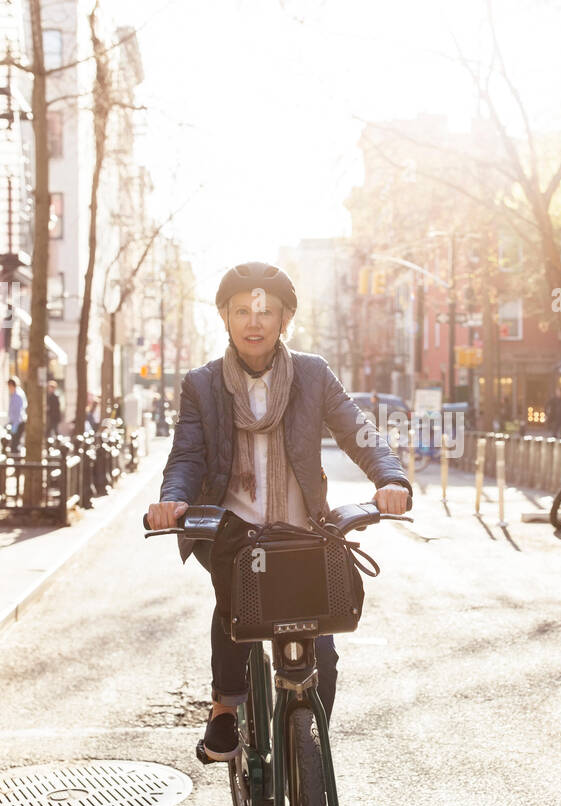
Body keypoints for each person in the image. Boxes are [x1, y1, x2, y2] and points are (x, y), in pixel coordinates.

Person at [148, 261, 411, 762]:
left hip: (303, 530)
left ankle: (307, 750)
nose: (254, 321)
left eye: (265, 312)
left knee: (324, 656)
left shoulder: (312, 374)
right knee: (235, 606)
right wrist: (173, 499)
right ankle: (226, 706)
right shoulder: (202, 385)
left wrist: (390, 478)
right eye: (242, 310)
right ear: (225, 317)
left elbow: (357, 430)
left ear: (285, 318)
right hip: (232, 532)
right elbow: (187, 455)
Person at [7, 376, 27, 453]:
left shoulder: (17, 395)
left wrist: (14, 426)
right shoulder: (16, 394)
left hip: (18, 423)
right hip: (17, 422)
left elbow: (18, 412)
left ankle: (17, 462)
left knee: (15, 444)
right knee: (15, 443)